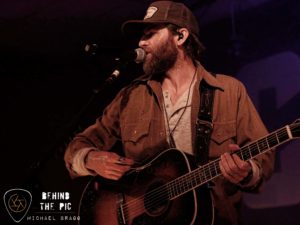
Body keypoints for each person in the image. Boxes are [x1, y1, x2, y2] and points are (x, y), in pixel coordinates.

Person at [64, 1, 275, 225]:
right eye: (142, 36)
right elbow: (80, 143)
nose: (141, 43)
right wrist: (89, 159)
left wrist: (247, 172)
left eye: (150, 34)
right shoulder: (132, 95)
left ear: (180, 37)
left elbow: (263, 155)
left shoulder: (229, 91)